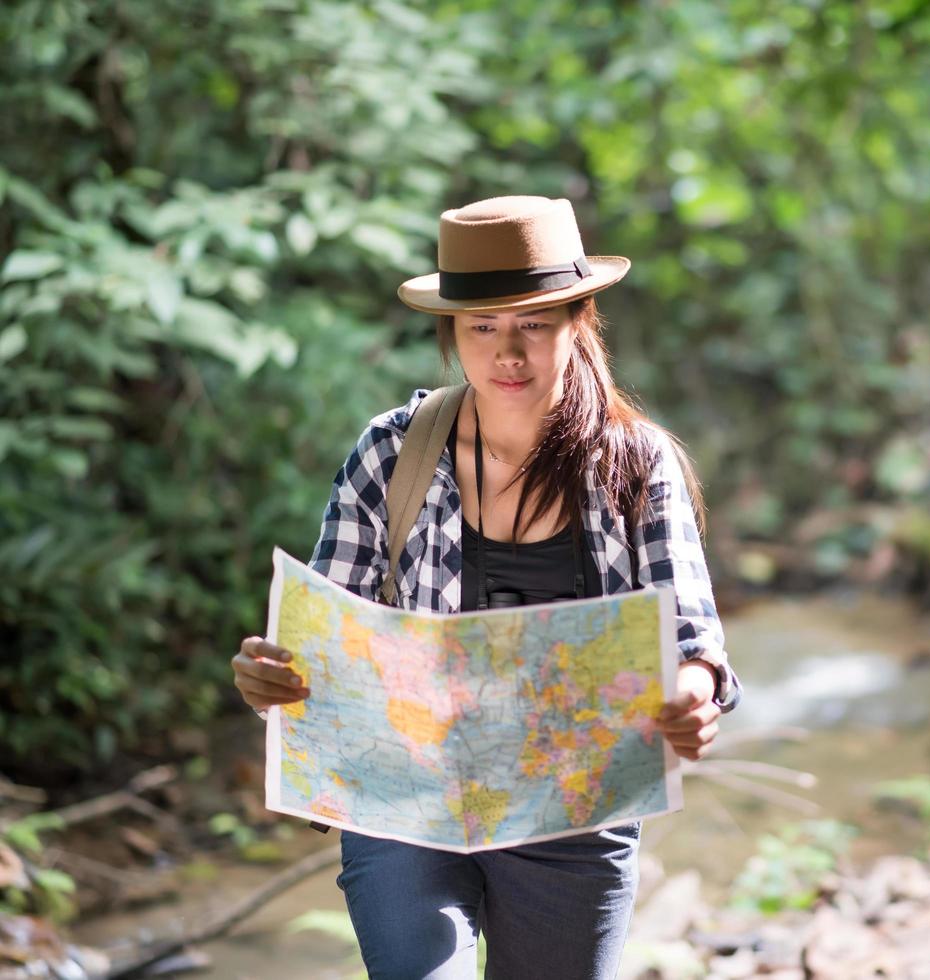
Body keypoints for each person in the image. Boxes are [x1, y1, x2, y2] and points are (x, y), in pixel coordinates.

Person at [229, 195, 743, 979]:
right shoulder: (389, 455)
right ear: (452, 334)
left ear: (578, 321)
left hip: (576, 811)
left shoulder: (635, 465)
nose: (508, 352)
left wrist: (696, 694)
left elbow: (692, 638)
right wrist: (272, 674)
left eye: (532, 324)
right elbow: (322, 635)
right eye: (483, 328)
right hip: (405, 804)